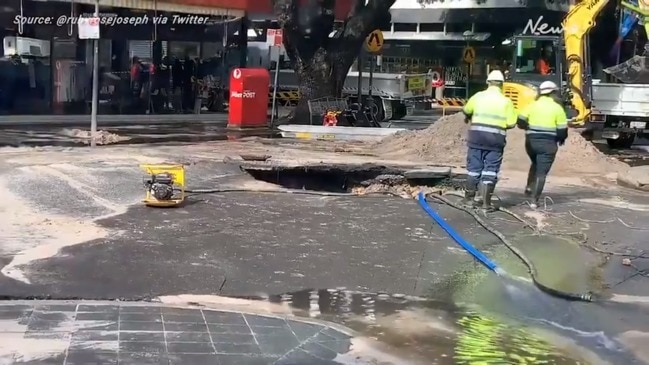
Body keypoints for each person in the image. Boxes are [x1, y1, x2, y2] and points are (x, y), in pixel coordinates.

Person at [462, 70, 518, 211]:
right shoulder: (506, 101)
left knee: (474, 169)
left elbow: (467, 110)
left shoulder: (478, 97)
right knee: (491, 170)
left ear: (487, 82)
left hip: (477, 138)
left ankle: (469, 200)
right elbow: (511, 122)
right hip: (495, 141)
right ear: (502, 85)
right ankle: (486, 204)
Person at [516, 80, 568, 209]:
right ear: (553, 93)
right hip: (548, 143)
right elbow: (562, 131)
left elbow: (520, 121)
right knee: (541, 172)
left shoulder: (532, 105)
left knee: (535, 163)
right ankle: (534, 200)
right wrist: (560, 140)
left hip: (531, 142)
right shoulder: (557, 108)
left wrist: (529, 128)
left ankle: (529, 187)